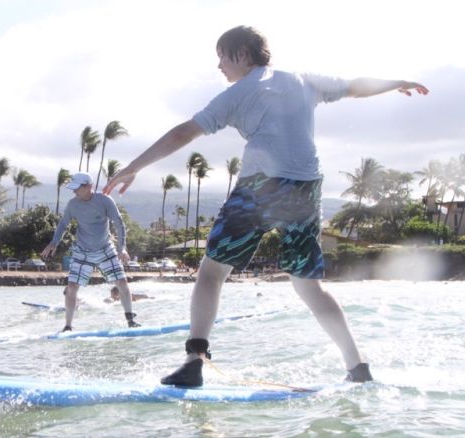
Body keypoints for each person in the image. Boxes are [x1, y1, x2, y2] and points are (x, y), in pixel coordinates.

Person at [103, 25, 428, 387]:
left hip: (261, 188)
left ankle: (195, 361)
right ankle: (357, 366)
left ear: (242, 54)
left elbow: (184, 132)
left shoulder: (237, 93)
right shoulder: (303, 80)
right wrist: (396, 81)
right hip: (305, 190)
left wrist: (133, 167)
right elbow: (355, 86)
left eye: (222, 57)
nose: (219, 67)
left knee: (212, 272)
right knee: (308, 286)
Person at [41, 172, 141, 331]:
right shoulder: (73, 204)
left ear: (89, 186)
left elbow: (119, 224)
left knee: (122, 283)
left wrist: (122, 248)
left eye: (77, 188)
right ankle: (68, 326)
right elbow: (62, 224)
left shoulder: (105, 201)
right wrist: (54, 243)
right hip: (82, 250)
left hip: (105, 248)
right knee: (72, 287)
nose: (74, 191)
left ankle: (130, 320)